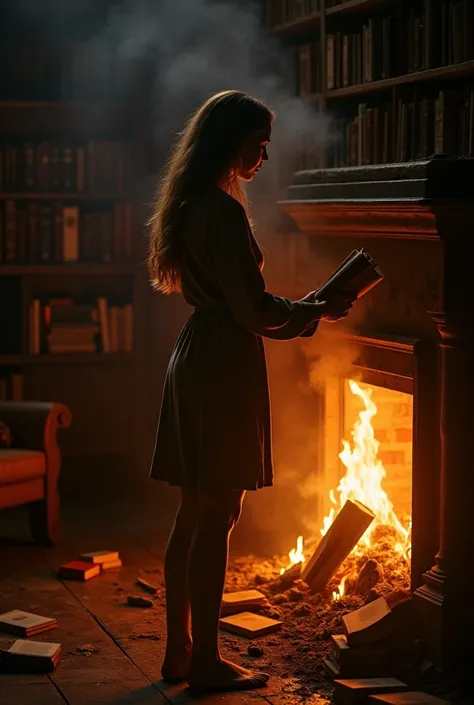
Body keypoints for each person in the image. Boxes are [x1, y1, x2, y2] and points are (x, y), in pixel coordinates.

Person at [147, 89, 352, 693]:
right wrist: (314, 309)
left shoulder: (190, 204)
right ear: (231, 141)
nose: (263, 157)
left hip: (196, 355)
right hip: (223, 364)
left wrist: (301, 309)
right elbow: (254, 309)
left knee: (193, 510)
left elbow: (243, 303)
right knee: (218, 514)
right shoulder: (222, 211)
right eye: (258, 145)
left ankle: (180, 651)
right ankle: (206, 661)